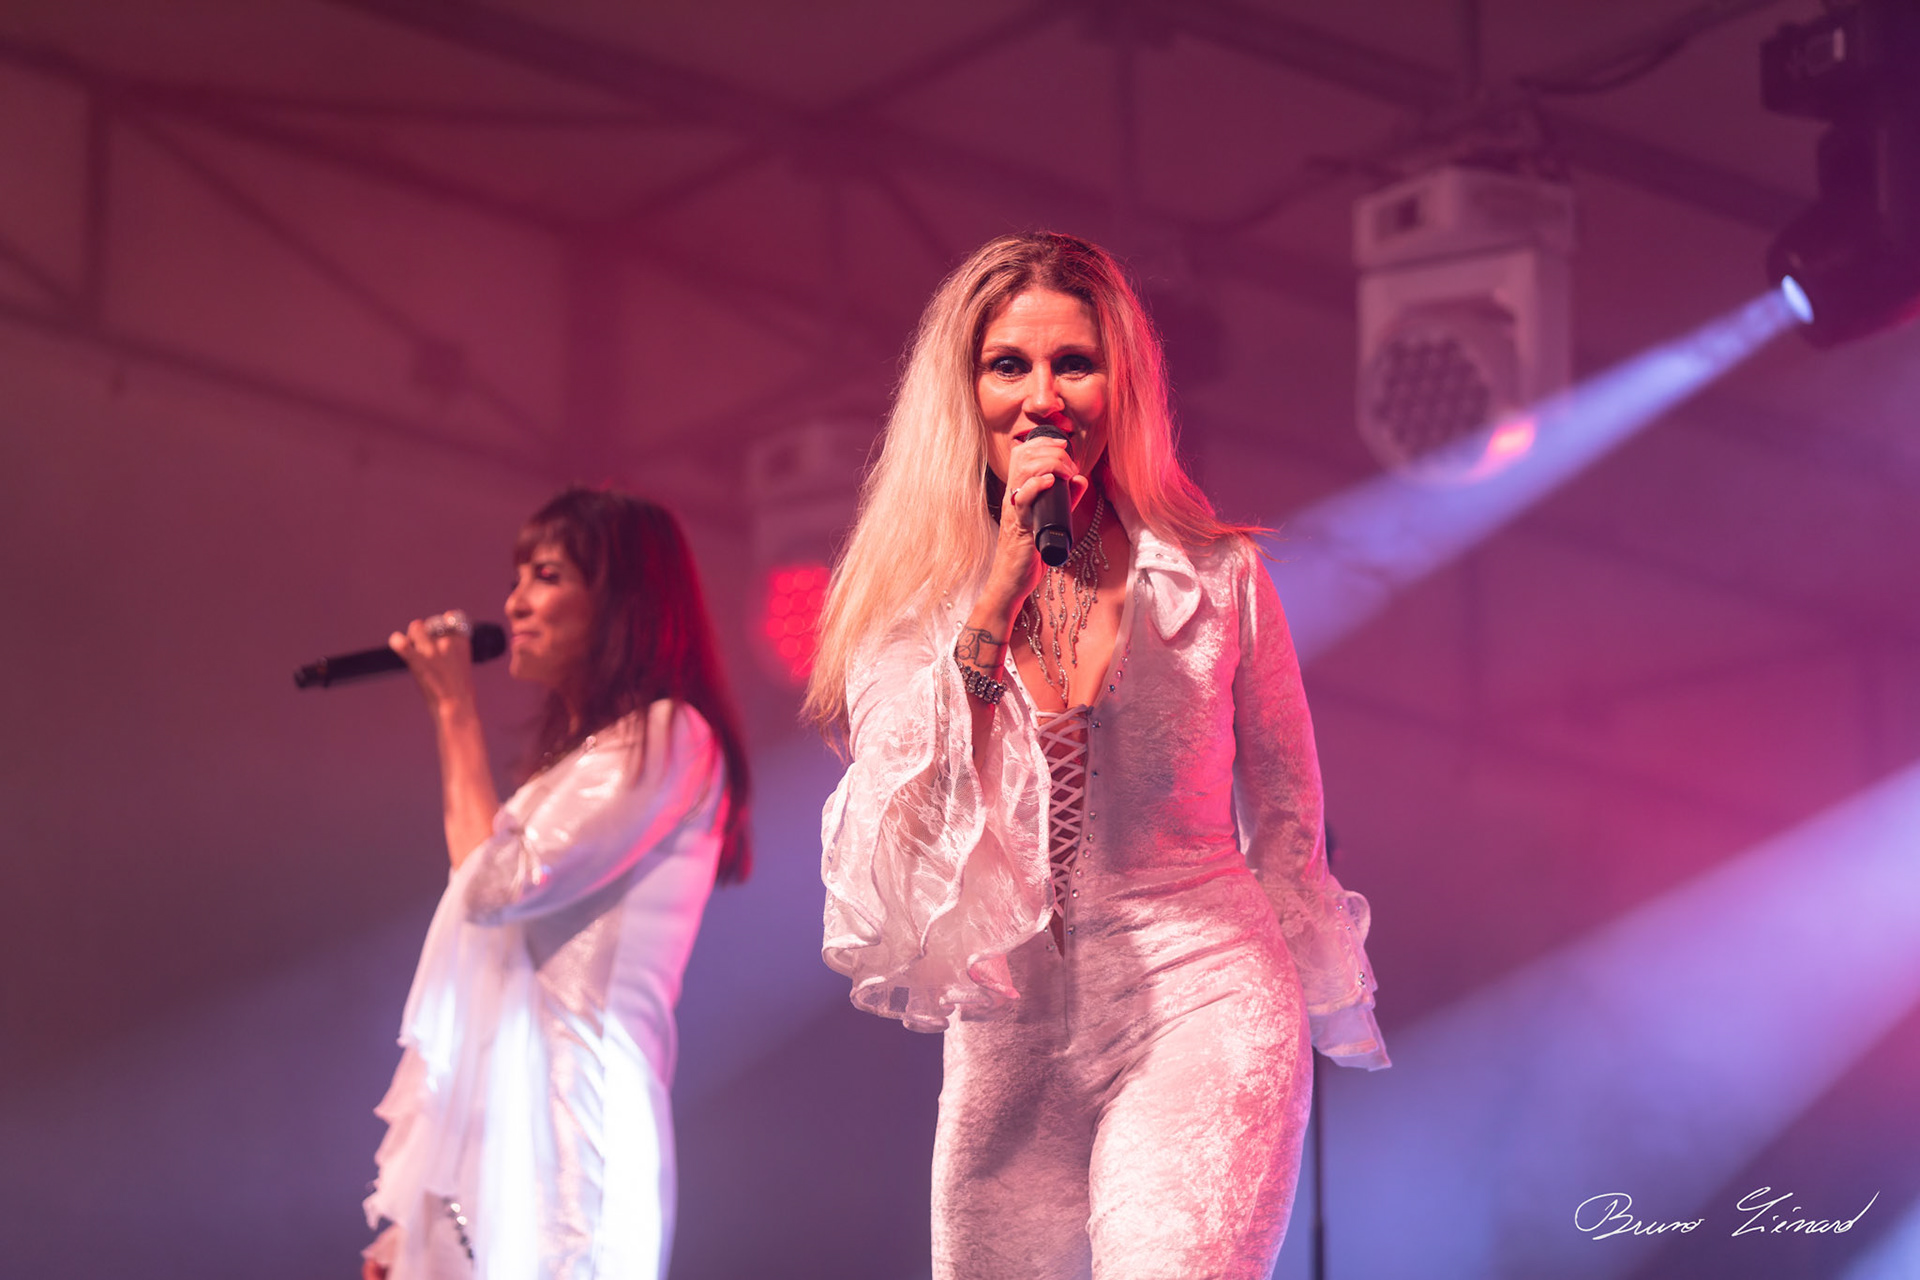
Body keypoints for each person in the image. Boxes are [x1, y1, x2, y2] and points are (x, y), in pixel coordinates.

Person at [805, 232, 1388, 1280]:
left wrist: (1308, 986)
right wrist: (994, 598)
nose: (1043, 396)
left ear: (1123, 383)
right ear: (962, 390)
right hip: (1010, 1032)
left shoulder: (1218, 578)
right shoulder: (905, 608)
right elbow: (907, 839)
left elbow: (1292, 817)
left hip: (1204, 994)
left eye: (1073, 362)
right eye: (1007, 365)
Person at [361, 488, 751, 1280]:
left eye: (547, 575)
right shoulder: (580, 768)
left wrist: (452, 713)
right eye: (517, 577)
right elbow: (488, 906)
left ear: (621, 602)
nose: (515, 602)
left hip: (576, 1147)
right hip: (498, 1134)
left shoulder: (672, 736)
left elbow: (493, 883)